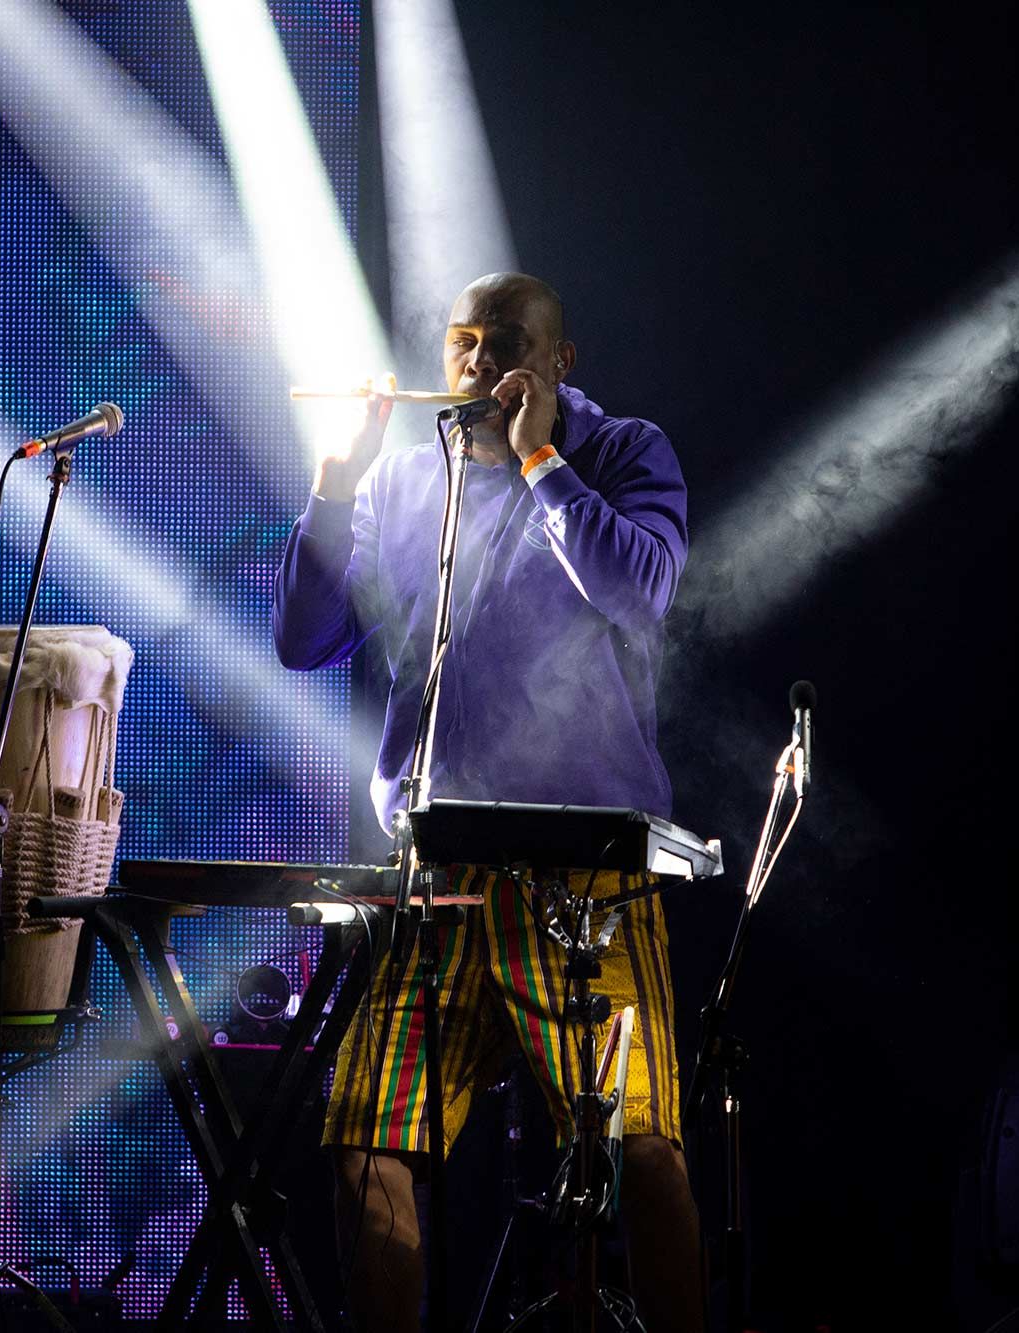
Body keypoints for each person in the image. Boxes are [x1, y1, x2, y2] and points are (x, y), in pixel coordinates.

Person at [271, 272, 703, 1332]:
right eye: (460, 342)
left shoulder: (620, 451)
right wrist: (335, 491)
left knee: (637, 1138)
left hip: (586, 866)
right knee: (365, 1141)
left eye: (502, 342)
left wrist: (539, 459)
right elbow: (301, 641)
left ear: (559, 362)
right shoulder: (406, 481)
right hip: (439, 874)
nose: (472, 362)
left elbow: (640, 589)